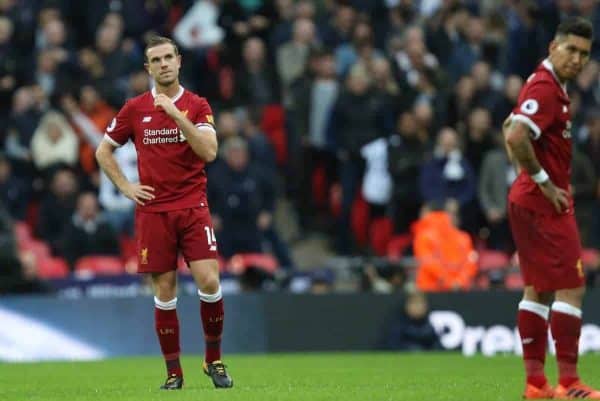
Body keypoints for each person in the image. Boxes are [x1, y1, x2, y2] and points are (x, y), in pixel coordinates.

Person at [95, 36, 233, 390]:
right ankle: (174, 372)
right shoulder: (134, 108)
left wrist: (175, 114)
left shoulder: (197, 105)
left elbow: (209, 152)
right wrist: (126, 188)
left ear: (179, 61)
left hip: (192, 207)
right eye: (156, 60)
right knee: (165, 291)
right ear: (148, 68)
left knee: (210, 281)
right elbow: (103, 152)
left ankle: (213, 360)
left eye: (168, 57)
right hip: (154, 212)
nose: (163, 64)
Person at [503, 17, 600, 400]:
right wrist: (542, 181)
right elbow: (515, 133)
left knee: (538, 290)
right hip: (545, 203)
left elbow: (509, 123)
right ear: (553, 47)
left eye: (584, 54)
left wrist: (524, 174)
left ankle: (536, 384)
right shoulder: (545, 88)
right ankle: (571, 383)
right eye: (571, 50)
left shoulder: (546, 85)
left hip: (529, 200)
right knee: (572, 288)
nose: (577, 59)